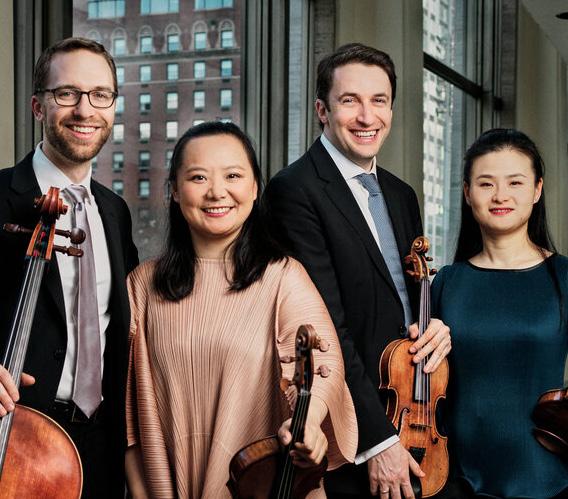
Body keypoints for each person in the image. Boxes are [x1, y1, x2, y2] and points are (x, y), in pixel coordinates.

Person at [124, 121, 357, 499]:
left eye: (233, 175)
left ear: (254, 188)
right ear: (174, 191)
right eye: (198, 177)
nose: (217, 191)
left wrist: (309, 423)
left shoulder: (283, 276)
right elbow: (130, 421)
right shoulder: (142, 285)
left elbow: (324, 363)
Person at [264, 43, 451, 498]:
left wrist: (435, 327)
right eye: (350, 101)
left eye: (379, 100)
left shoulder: (401, 194)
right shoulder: (294, 190)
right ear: (322, 111)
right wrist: (378, 441)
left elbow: (407, 301)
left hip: (413, 410)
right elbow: (327, 327)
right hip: (349, 432)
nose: (367, 117)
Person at [0, 38, 138, 497]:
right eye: (67, 93)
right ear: (38, 106)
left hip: (101, 444)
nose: (85, 109)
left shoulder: (114, 212)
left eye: (100, 95)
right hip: (16, 439)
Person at [431, 128, 568, 499]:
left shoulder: (564, 277)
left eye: (515, 182)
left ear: (537, 190)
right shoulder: (446, 282)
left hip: (548, 480)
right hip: (454, 480)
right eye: (486, 183)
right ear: (467, 192)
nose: (500, 195)